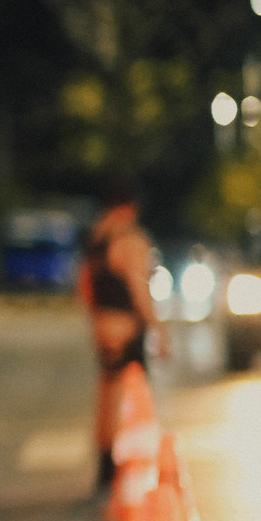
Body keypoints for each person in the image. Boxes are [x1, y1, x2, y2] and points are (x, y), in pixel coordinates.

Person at [78, 184, 163, 488]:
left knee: (106, 394)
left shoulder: (96, 238)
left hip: (103, 323)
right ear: (129, 207)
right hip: (126, 324)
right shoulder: (130, 239)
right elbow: (140, 289)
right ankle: (125, 465)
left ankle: (104, 464)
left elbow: (85, 286)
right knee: (129, 394)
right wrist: (158, 328)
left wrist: (95, 321)